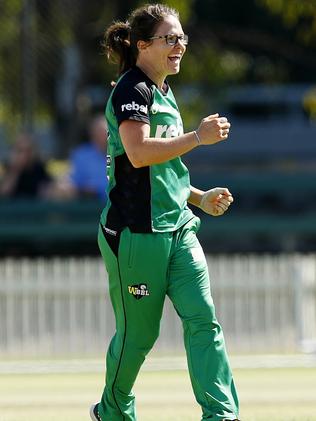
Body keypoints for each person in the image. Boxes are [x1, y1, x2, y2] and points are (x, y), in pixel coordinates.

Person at [90, 4, 239, 421]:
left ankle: (221, 415)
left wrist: (198, 197)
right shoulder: (131, 91)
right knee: (139, 337)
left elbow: (163, 172)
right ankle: (113, 411)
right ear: (143, 45)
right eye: (170, 39)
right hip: (135, 235)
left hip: (179, 230)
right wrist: (197, 137)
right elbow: (137, 155)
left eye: (182, 38)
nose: (179, 46)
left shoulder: (165, 92)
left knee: (204, 322)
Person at [53, 114, 108, 202]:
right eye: (99, 132)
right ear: (92, 133)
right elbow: (71, 180)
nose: (103, 136)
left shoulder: (122, 154)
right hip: (88, 205)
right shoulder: (81, 154)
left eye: (106, 132)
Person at [0, 133, 51, 199]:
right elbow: (4, 193)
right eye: (20, 151)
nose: (25, 155)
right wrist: (15, 169)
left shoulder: (39, 168)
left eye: (28, 151)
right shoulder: (9, 167)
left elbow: (48, 189)